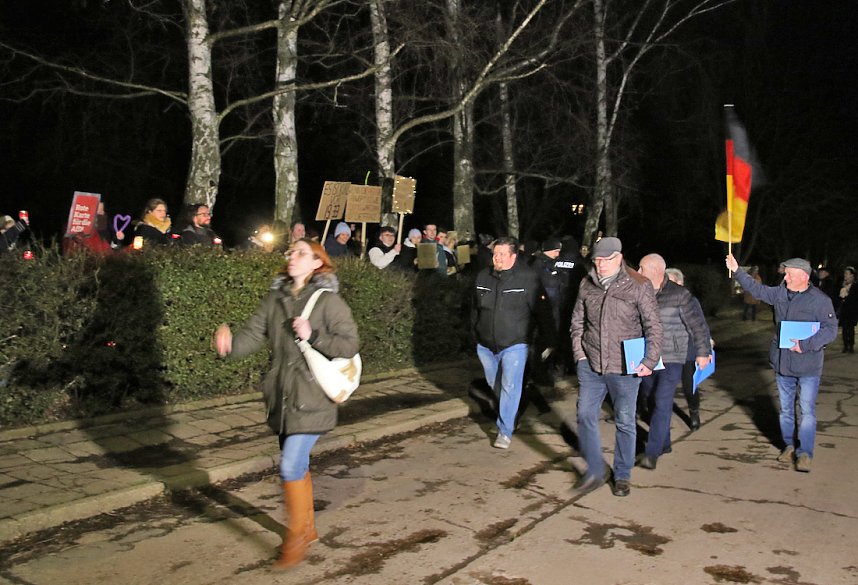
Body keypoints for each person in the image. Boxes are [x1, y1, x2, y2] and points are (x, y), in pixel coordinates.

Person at [215, 238, 359, 568]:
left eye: (300, 253)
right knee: (299, 465)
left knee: (290, 465)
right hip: (281, 396)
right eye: (290, 251)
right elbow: (252, 335)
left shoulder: (329, 302)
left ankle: (295, 539)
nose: (291, 256)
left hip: (313, 397)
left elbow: (350, 344)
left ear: (317, 263)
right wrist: (229, 346)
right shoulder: (275, 298)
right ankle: (306, 528)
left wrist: (314, 336)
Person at [725, 254, 837, 472]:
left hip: (808, 366)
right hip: (783, 363)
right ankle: (789, 446)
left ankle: (805, 453)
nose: (785, 278)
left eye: (789, 274)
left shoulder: (821, 300)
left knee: (806, 411)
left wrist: (805, 345)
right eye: (785, 274)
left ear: (803, 276)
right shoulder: (779, 293)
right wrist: (738, 270)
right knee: (786, 410)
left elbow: (830, 329)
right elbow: (756, 290)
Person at [570, 237, 663, 497]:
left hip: (625, 368)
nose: (600, 265)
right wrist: (580, 355)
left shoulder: (638, 285)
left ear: (619, 258)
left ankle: (622, 474)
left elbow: (653, 326)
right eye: (597, 260)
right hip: (591, 365)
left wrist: (649, 360)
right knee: (585, 416)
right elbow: (577, 321)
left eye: (606, 260)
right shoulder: (586, 284)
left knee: (624, 421)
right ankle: (596, 470)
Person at [473, 237, 549, 450]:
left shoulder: (528, 279)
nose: (496, 258)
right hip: (486, 345)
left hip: (515, 344)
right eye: (495, 254)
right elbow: (473, 309)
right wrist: (474, 333)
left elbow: (542, 311)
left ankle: (505, 430)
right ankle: (509, 412)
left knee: (509, 386)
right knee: (495, 385)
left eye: (502, 254)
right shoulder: (482, 276)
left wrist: (548, 340)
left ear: (513, 257)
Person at [636, 254, 712, 469]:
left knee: (662, 399)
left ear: (655, 270)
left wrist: (703, 351)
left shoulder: (680, 295)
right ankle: (664, 442)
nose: (639, 273)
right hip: (647, 357)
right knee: (650, 399)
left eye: (642, 268)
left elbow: (698, 325)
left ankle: (651, 453)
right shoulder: (639, 293)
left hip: (672, 357)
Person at [665, 267, 711, 430]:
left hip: (687, 351)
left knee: (688, 386)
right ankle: (662, 418)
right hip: (667, 351)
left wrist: (706, 348)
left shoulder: (690, 300)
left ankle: (693, 412)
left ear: (680, 283)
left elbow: (701, 325)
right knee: (664, 387)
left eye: (669, 282)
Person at [837, 266, 858, 353]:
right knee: (844, 329)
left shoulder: (855, 286)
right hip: (844, 310)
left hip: (852, 310)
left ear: (852, 275)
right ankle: (846, 345)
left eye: (847, 274)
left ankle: (851, 345)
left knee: (851, 328)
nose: (845, 275)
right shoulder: (841, 284)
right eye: (845, 273)